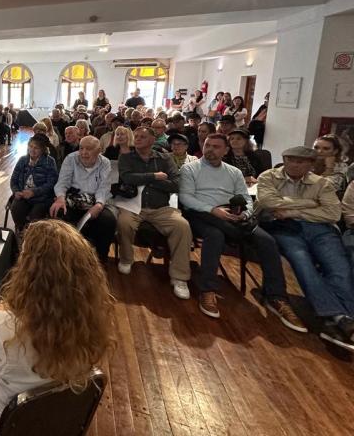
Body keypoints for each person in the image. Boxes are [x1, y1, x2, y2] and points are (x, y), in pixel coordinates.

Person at [0, 219, 115, 436]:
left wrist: (10, 303)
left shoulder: (4, 325)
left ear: (27, 273)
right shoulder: (90, 321)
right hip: (52, 420)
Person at [179, 135, 304, 329]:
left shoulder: (234, 172)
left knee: (267, 241)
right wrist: (213, 210)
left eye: (216, 147)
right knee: (215, 234)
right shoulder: (190, 168)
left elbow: (246, 197)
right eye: (207, 146)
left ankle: (276, 297)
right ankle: (207, 289)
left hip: (232, 215)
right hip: (203, 214)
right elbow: (186, 198)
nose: (210, 150)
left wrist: (245, 214)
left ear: (225, 150)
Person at [255, 146, 353, 349]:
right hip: (284, 228)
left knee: (339, 267)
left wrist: (292, 211)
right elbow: (267, 202)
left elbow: (333, 214)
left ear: (310, 164)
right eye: (290, 159)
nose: (294, 164)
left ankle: (345, 317)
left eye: (301, 161)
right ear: (284, 159)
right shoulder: (269, 177)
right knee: (302, 263)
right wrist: (311, 203)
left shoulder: (321, 183)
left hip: (319, 229)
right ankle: (336, 316)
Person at [115, 127, 192, 299]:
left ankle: (180, 277)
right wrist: (155, 176)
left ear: (152, 140)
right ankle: (126, 259)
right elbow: (127, 177)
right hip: (134, 205)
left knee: (182, 226)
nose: (138, 139)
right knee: (124, 222)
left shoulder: (165, 158)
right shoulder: (127, 157)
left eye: (143, 136)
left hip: (161, 207)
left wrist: (144, 179)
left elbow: (175, 184)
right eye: (136, 136)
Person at [50, 136, 115, 261]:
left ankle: (100, 260)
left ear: (99, 150)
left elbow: (104, 186)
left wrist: (99, 204)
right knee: (58, 212)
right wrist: (60, 198)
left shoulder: (105, 162)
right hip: (74, 198)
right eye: (81, 148)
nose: (84, 152)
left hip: (96, 199)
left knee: (109, 221)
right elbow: (63, 182)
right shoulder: (71, 158)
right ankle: (63, 257)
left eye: (89, 149)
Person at [9, 134, 58, 234]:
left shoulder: (50, 162)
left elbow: (51, 183)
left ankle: (33, 236)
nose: (32, 150)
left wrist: (33, 192)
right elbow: (13, 179)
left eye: (36, 148)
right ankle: (22, 231)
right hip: (23, 195)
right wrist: (16, 191)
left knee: (35, 217)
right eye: (30, 146)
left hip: (42, 198)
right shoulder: (23, 160)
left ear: (43, 150)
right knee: (15, 209)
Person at [313, 134, 349, 198]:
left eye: (326, 149)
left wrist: (329, 168)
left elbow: (326, 188)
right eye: (316, 147)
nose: (319, 151)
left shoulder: (341, 166)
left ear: (335, 151)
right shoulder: (306, 162)